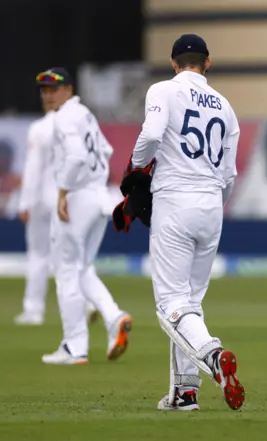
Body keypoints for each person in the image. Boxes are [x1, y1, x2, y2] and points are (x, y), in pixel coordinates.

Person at [129, 34, 244, 411]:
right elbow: (229, 175)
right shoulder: (226, 107)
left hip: (176, 198)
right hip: (212, 204)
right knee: (190, 302)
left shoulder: (163, 90)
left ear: (174, 62)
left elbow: (150, 134)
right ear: (207, 63)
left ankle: (213, 356)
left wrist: (134, 168)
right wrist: (213, 205)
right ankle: (185, 392)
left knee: (170, 305)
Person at [36, 68, 132, 365]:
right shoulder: (85, 114)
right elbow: (105, 150)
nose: (48, 94)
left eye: (54, 88)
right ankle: (114, 317)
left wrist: (63, 192)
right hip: (98, 197)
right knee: (81, 268)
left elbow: (77, 156)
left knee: (66, 270)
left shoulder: (64, 117)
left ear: (68, 89)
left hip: (77, 198)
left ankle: (74, 346)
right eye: (44, 89)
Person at [15, 98, 98, 326]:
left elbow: (33, 168)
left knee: (38, 255)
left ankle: (34, 310)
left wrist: (25, 202)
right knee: (72, 256)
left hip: (44, 200)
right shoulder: (81, 124)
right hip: (68, 199)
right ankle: (86, 303)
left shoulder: (40, 128)